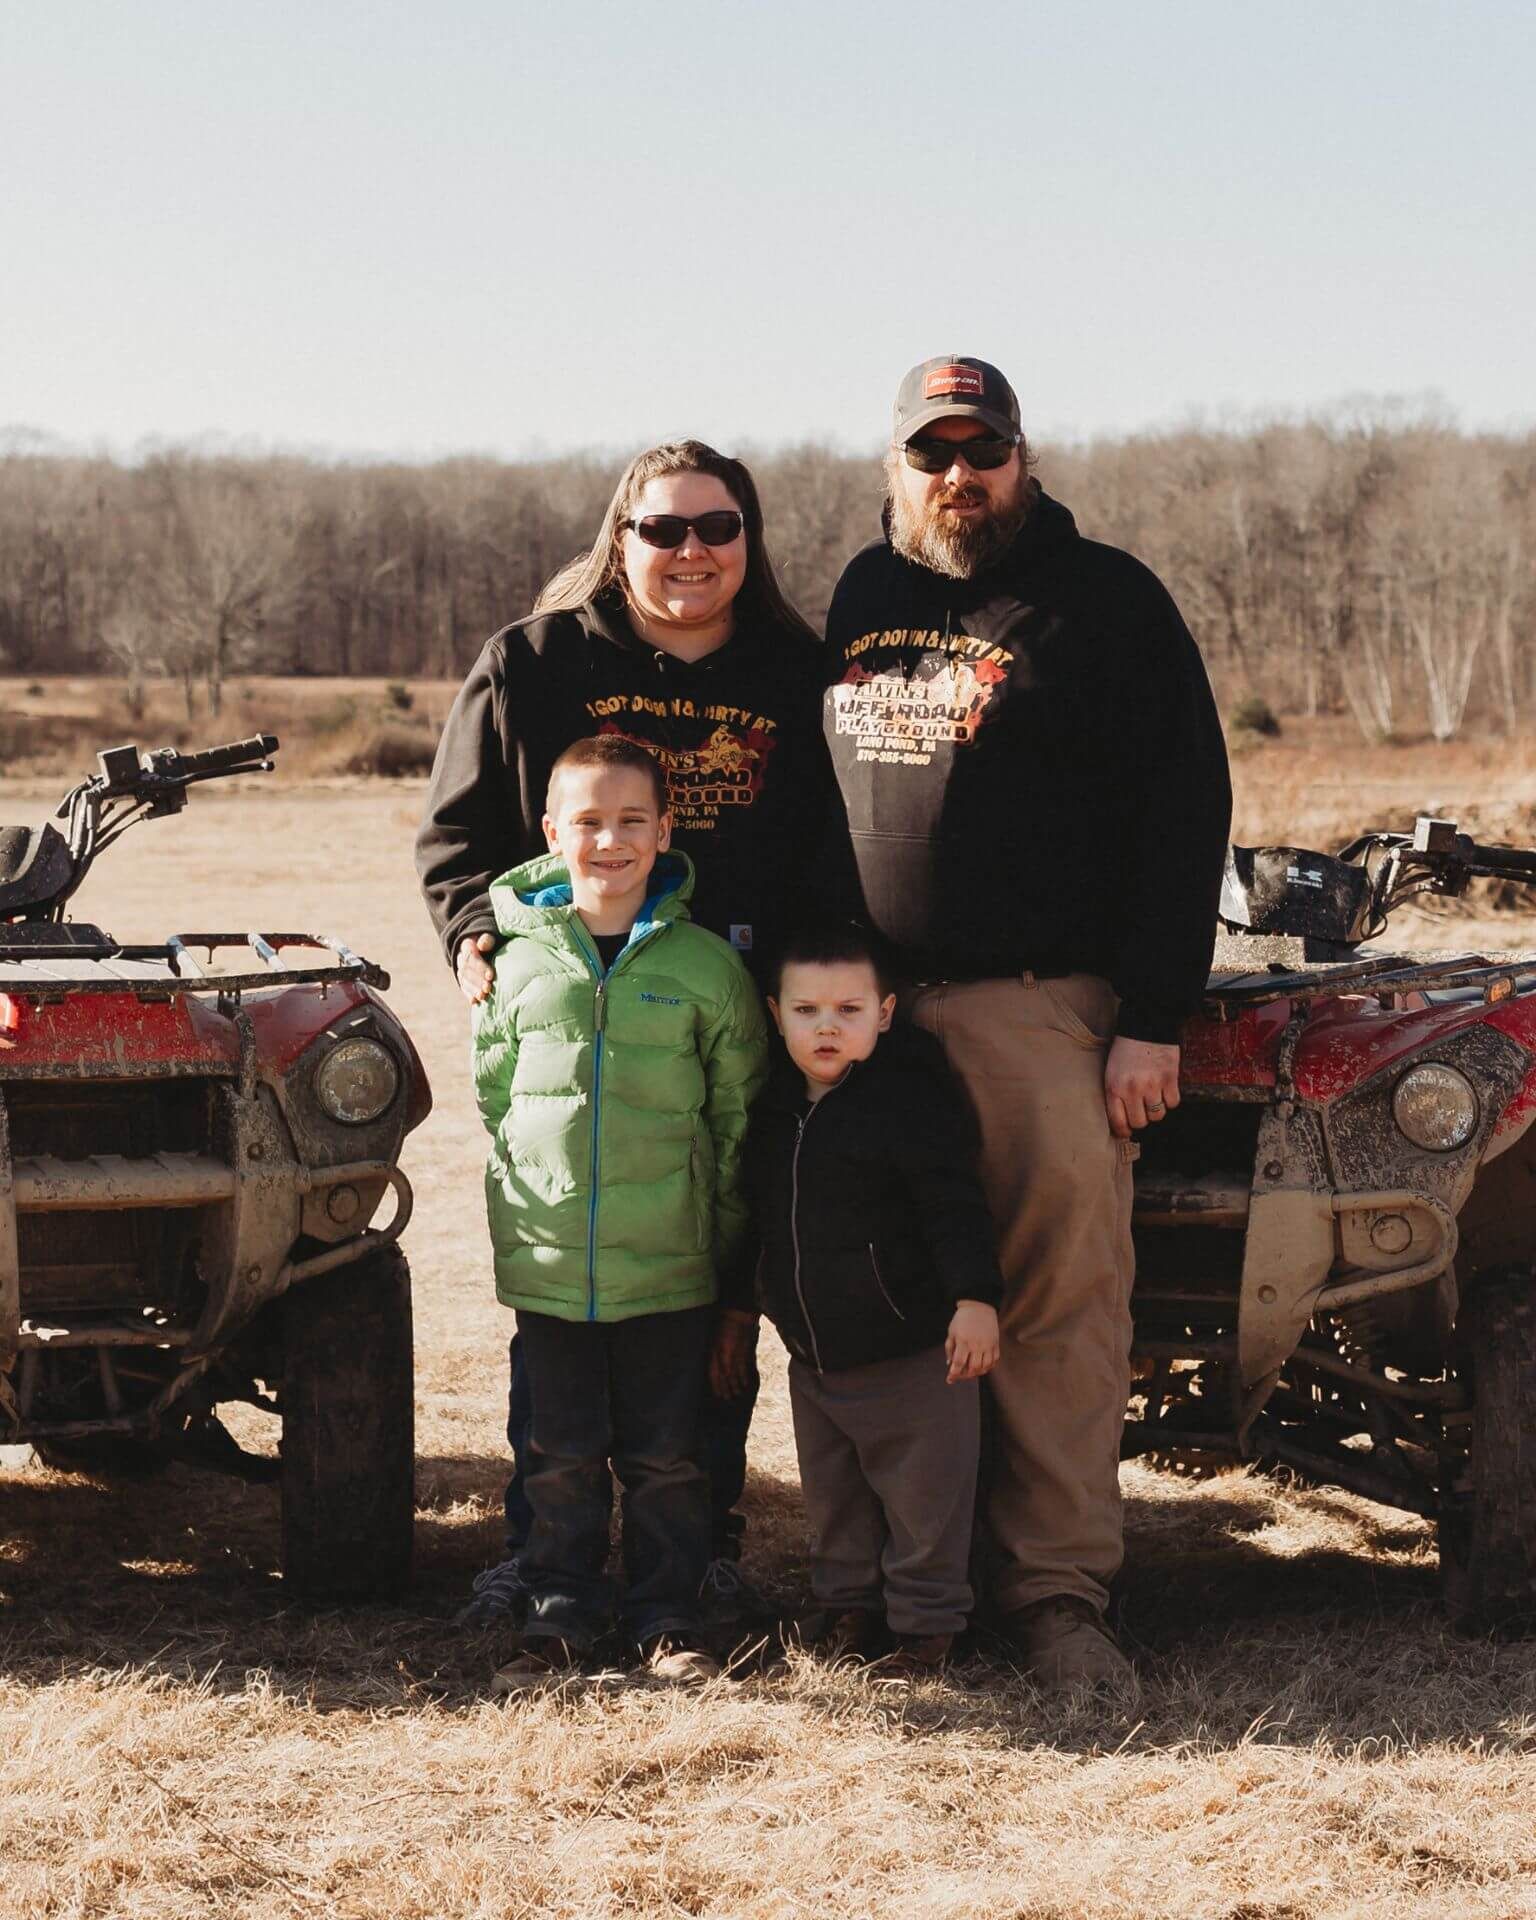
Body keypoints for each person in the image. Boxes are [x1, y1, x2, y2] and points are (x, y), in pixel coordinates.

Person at [822, 355, 1232, 1694]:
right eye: (931, 453)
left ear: (1024, 457)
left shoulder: (1104, 601)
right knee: (885, 1293)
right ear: (896, 466)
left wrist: (1151, 1015)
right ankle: (898, 1585)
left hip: (1038, 1007)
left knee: (1056, 1301)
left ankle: (1055, 1592)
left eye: (981, 451)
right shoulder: (864, 596)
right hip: (874, 1018)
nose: (958, 477)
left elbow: (1185, 813)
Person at [416, 440, 836, 1629]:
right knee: (571, 1278)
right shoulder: (535, 665)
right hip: (582, 1009)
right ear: (621, 538)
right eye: (663, 530)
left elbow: (840, 850)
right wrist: (471, 943)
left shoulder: (799, 676)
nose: (691, 551)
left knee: (715, 1276)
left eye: (718, 527)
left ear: (749, 540)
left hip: (739, 1008)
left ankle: (697, 1545)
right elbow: (456, 839)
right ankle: (542, 1552)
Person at [477, 735, 767, 1692]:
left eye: (632, 820)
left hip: (670, 1267)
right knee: (554, 1451)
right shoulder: (515, 965)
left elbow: (735, 1124)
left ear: (665, 831)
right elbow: (498, 1100)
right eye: (589, 821)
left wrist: (724, 1262)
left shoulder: (704, 970)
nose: (610, 840)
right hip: (553, 1270)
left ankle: (667, 1614)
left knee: (668, 1459)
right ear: (553, 831)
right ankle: (556, 1603)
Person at [716, 922, 1002, 1676]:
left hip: (912, 1354)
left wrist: (974, 1298)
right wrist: (741, 1310)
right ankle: (850, 1609)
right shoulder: (774, 1107)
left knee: (925, 1502)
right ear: (775, 1015)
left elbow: (954, 1204)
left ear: (884, 1013)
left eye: (849, 1010)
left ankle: (926, 1629)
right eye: (807, 1012)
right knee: (835, 1498)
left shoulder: (909, 1103)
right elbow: (759, 1217)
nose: (827, 1028)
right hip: (814, 1357)